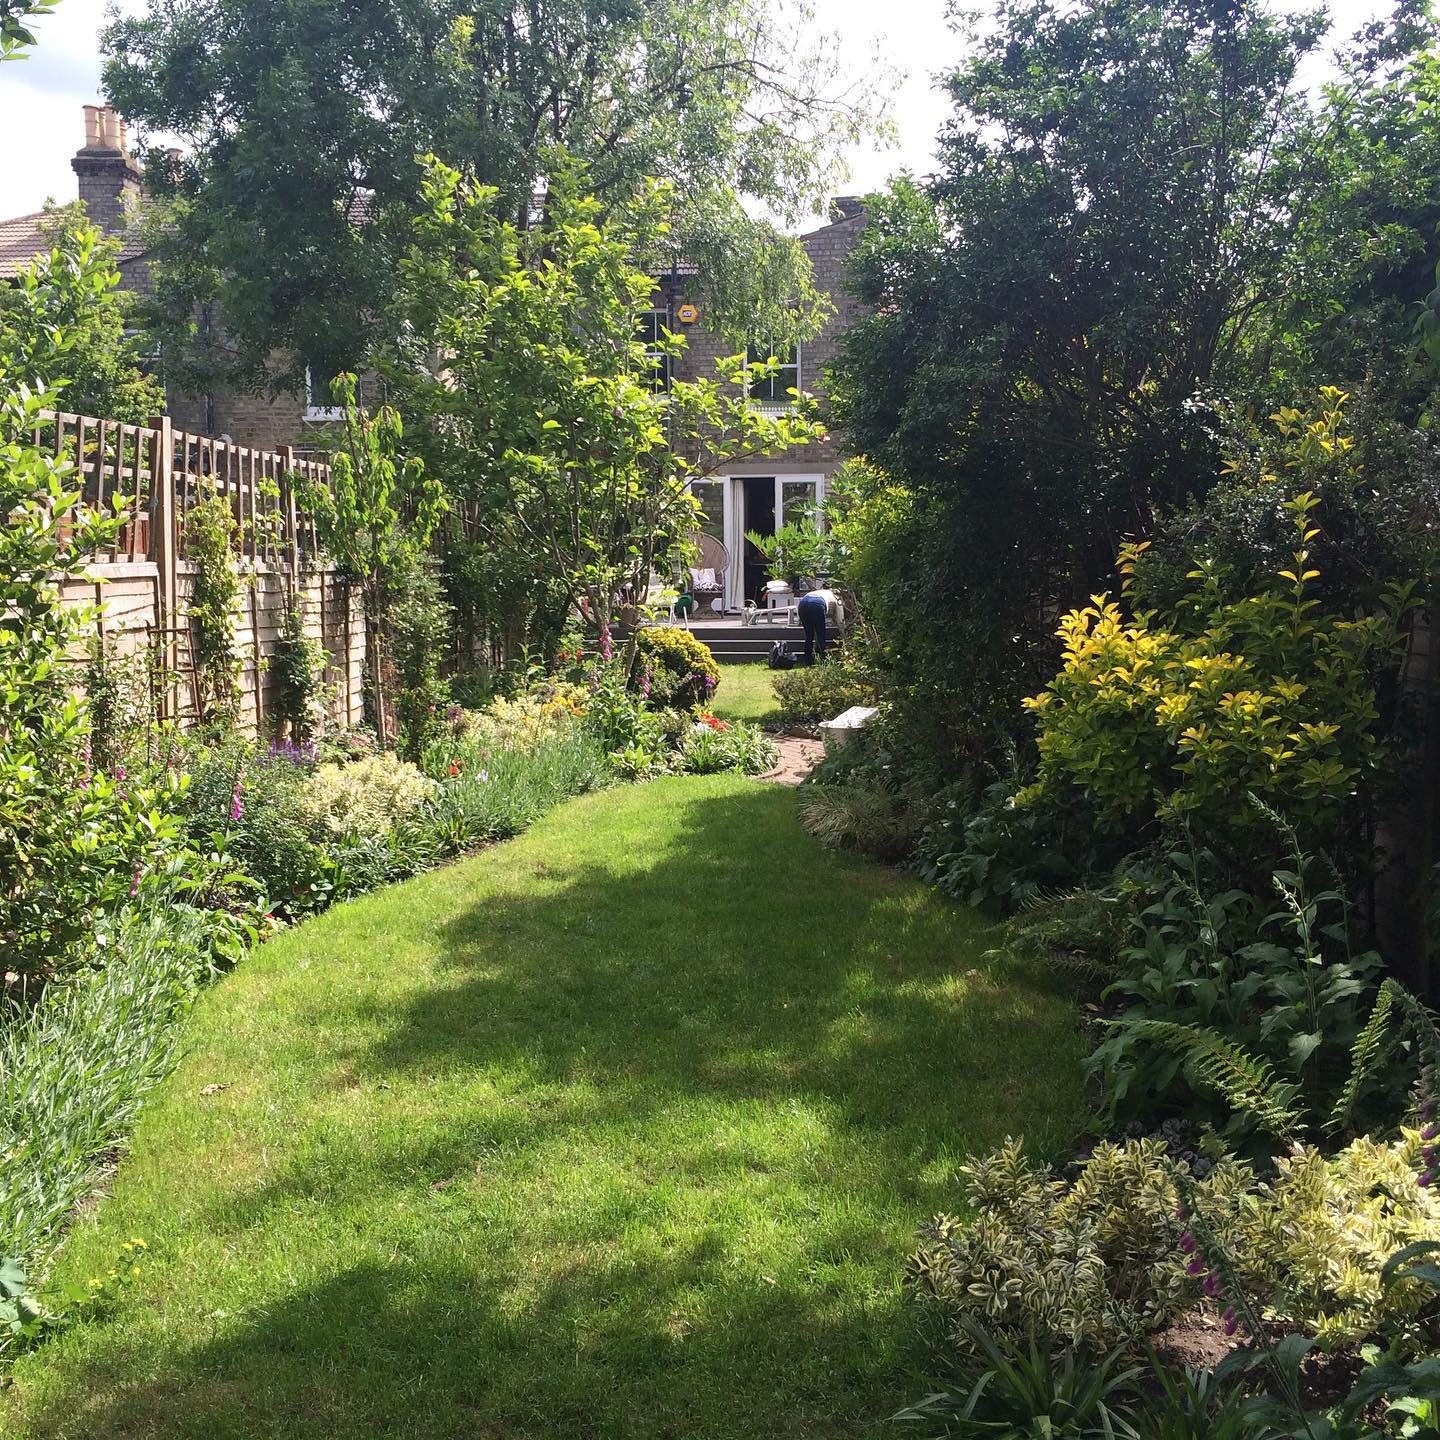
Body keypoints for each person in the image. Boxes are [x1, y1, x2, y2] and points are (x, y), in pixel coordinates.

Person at [797, 586, 839, 665]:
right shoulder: (833, 598)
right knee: (820, 634)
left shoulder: (818, 592)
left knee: (809, 635)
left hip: (803, 603)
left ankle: (807, 659)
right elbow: (835, 615)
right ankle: (822, 658)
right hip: (818, 605)